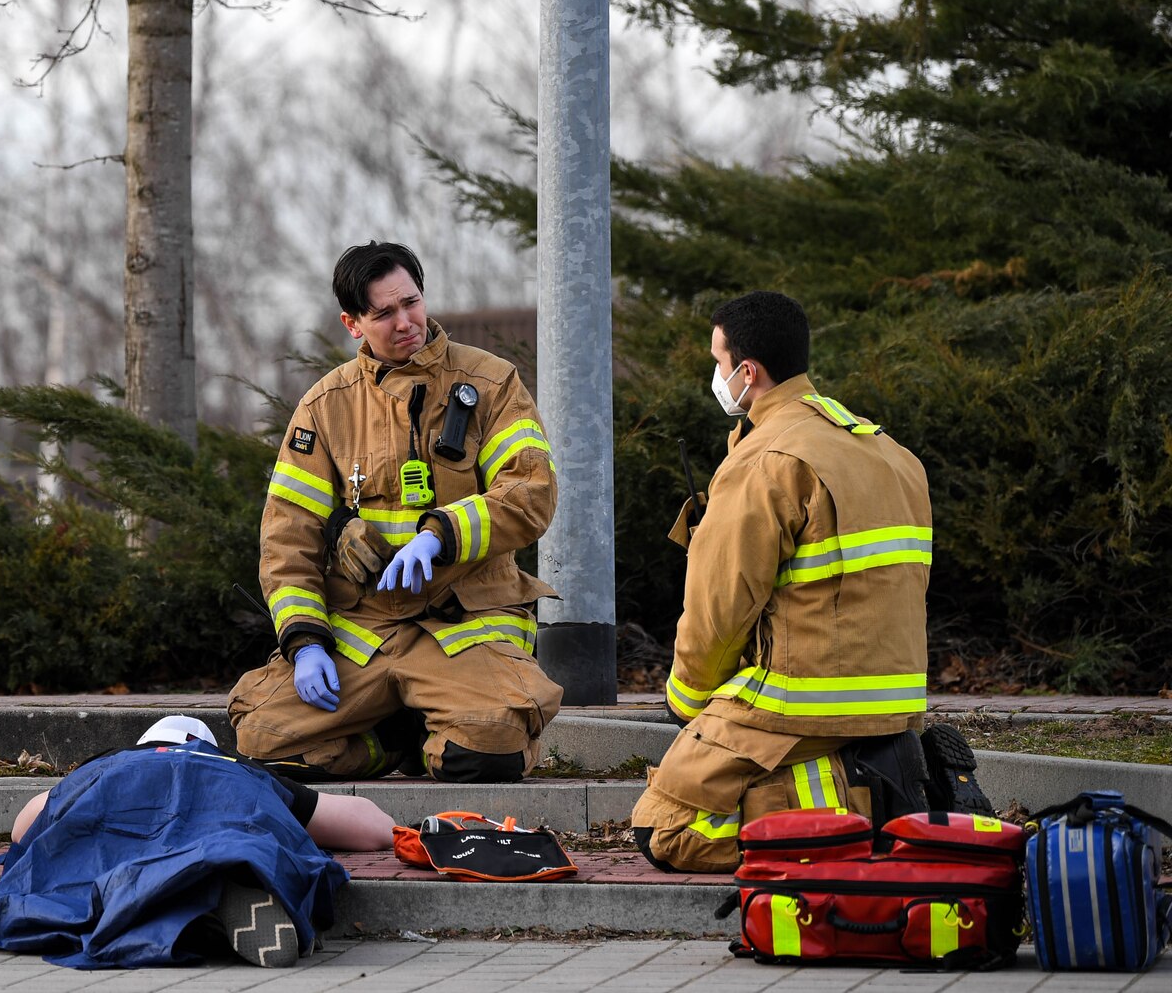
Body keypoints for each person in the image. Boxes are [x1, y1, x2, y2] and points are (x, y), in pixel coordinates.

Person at [629, 291, 984, 874]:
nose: (715, 376)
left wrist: (687, 699)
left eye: (718, 363)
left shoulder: (766, 459)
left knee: (667, 827)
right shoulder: (890, 452)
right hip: (895, 705)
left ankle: (855, 814)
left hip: (801, 700)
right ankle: (889, 786)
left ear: (748, 372)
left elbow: (718, 610)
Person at [229, 242, 564, 783]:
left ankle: (432, 725)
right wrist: (305, 640)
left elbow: (531, 494)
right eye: (383, 313)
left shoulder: (492, 382)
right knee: (263, 738)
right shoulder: (325, 406)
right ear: (353, 323)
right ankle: (398, 737)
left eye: (411, 302)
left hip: (466, 622)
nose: (405, 321)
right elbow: (288, 540)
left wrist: (441, 536)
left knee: (487, 752)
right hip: (363, 630)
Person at [0, 716, 385, 969]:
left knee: (71, 886)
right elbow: (368, 827)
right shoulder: (235, 765)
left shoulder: (108, 762)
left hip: (115, 845)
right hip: (222, 832)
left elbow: (24, 827)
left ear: (145, 742)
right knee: (244, 850)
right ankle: (214, 897)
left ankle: (162, 903)